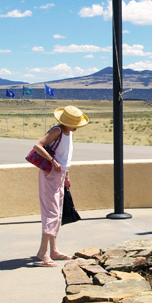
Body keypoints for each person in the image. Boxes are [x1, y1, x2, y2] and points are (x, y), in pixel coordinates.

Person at [32, 105, 89, 267]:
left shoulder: (68, 133)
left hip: (60, 174)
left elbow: (65, 158)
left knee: (57, 214)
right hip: (51, 173)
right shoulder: (57, 131)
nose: (76, 129)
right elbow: (38, 145)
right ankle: (43, 252)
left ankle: (53, 250)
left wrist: (66, 175)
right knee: (52, 213)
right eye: (74, 125)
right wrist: (53, 161)